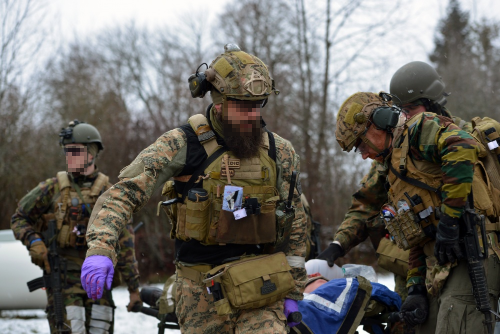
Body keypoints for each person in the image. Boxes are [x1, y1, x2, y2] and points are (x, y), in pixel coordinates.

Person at [80, 44, 307, 334]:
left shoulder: (280, 152)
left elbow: (295, 224)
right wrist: (100, 248)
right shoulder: (181, 144)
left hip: (261, 287)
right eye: (243, 106)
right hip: (200, 293)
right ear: (219, 102)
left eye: (258, 105)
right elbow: (123, 193)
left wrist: (293, 291)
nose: (253, 116)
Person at [318, 61, 474, 333]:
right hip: (419, 259)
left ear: (432, 104)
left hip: (466, 250)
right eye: (401, 110)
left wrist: (450, 220)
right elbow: (367, 206)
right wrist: (338, 244)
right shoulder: (390, 160)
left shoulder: (443, 136)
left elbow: (462, 154)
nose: (404, 116)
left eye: (411, 109)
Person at [11, 120, 141, 334]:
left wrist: (134, 289)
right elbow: (19, 217)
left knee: (100, 329)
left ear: (91, 153)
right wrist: (33, 241)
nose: (68, 156)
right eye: (66, 151)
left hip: (99, 281)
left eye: (74, 151)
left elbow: (126, 244)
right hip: (63, 280)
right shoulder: (52, 188)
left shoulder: (110, 193)